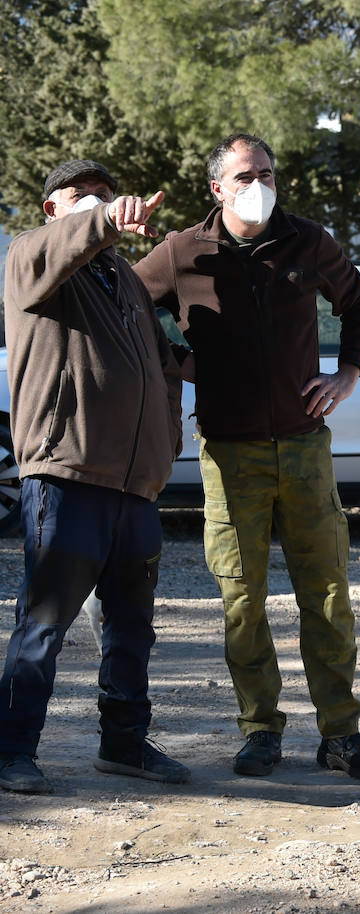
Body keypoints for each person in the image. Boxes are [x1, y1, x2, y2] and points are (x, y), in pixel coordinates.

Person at [134, 133, 360, 782]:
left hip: (305, 449)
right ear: (218, 187)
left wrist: (347, 374)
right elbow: (128, 305)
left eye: (269, 173)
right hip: (229, 453)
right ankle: (260, 732)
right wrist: (177, 362)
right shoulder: (183, 251)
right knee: (243, 602)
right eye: (247, 175)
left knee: (328, 597)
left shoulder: (309, 241)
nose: (262, 184)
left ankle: (341, 735)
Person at [0, 160, 186, 793]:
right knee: (44, 622)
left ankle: (125, 745)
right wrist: (104, 218)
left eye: (103, 195)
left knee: (133, 624)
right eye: (79, 196)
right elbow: (62, 244)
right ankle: (12, 750)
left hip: (134, 484)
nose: (95, 203)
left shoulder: (127, 282)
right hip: (66, 472)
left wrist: (165, 449)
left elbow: (164, 367)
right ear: (52, 208)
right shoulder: (32, 257)